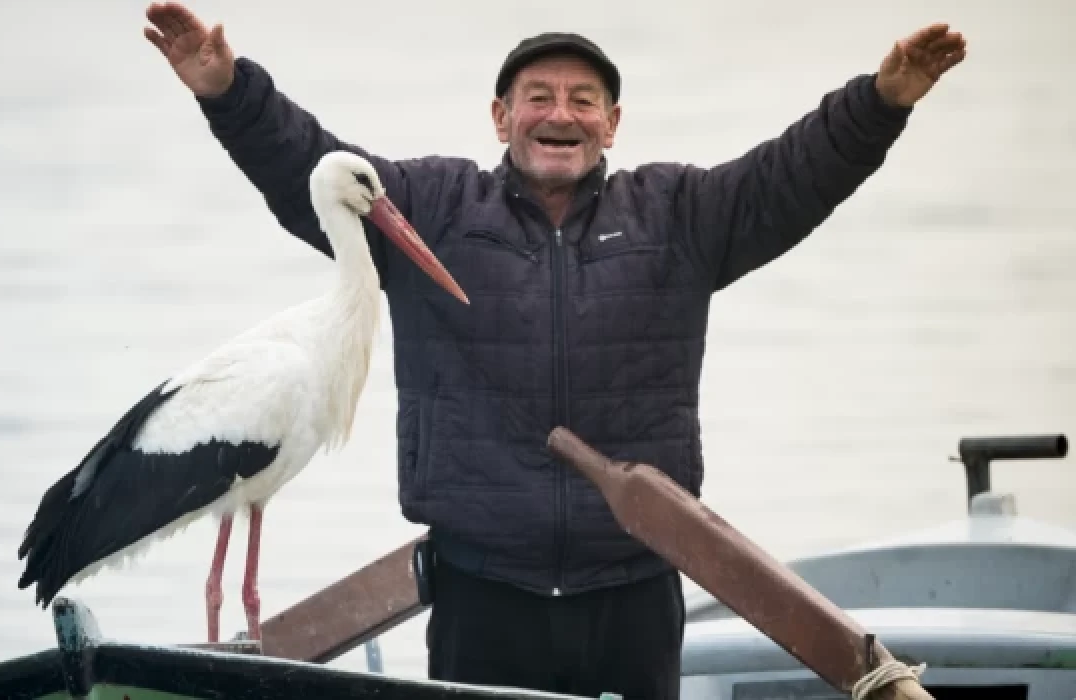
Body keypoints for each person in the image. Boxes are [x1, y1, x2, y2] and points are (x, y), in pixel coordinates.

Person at [142, 5, 966, 698]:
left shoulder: (679, 214)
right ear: (500, 118)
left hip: (636, 588)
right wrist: (227, 91)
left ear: (613, 122)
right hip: (483, 596)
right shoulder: (432, 208)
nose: (560, 115)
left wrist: (881, 102)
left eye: (583, 100)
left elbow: (791, 177)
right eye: (537, 97)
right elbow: (308, 166)